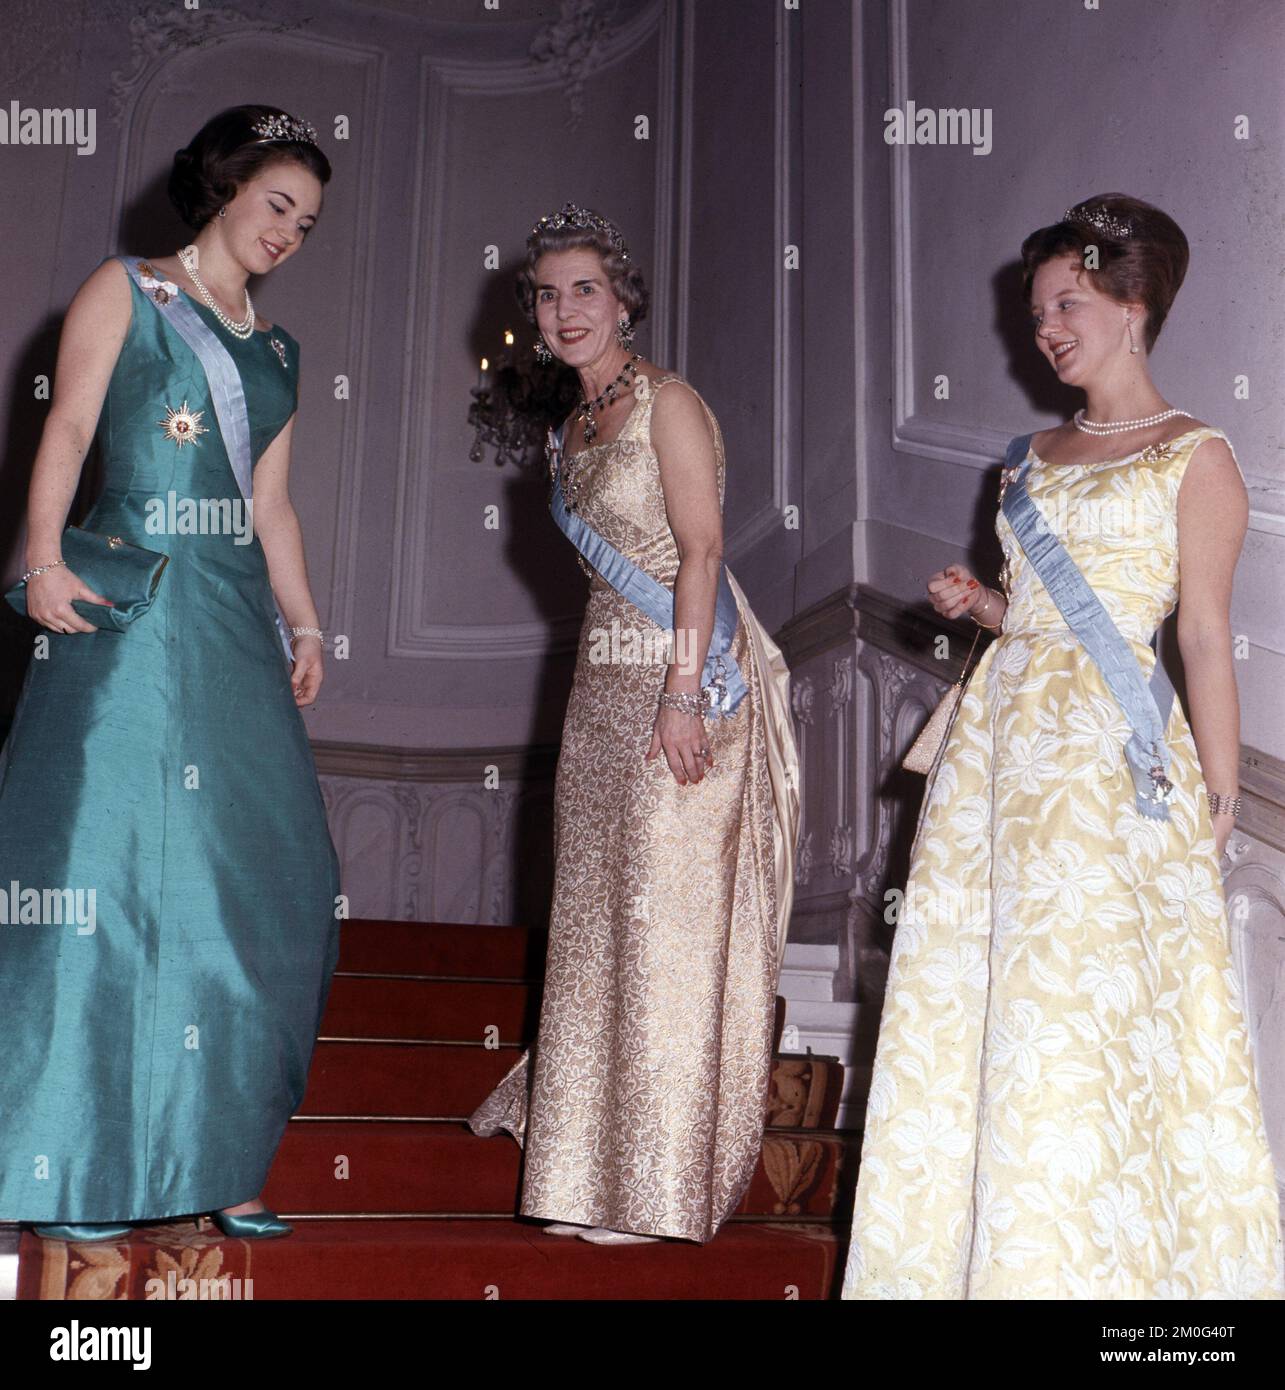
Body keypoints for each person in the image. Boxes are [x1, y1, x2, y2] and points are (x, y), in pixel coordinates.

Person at [842, 193, 1285, 1299]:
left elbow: (1196, 636)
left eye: (1067, 301)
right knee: (977, 997)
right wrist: (987, 607)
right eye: (1036, 307)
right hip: (997, 752)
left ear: (1134, 306)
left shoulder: (1197, 456)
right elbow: (1043, 611)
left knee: (1072, 1016)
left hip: (1104, 769)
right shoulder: (1024, 460)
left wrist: (1218, 791)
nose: (1044, 326)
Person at [0, 105, 341, 1243]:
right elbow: (67, 429)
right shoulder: (126, 290)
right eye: (276, 203)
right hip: (130, 602)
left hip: (235, 621)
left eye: (308, 221)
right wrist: (40, 553)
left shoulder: (280, 355)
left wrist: (306, 622)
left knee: (264, 879)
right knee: (96, 870)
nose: (288, 231)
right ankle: (73, 1165)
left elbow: (271, 506)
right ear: (228, 187)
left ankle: (219, 1151)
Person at [468, 204, 799, 1244]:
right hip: (600, 683)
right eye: (547, 294)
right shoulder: (566, 431)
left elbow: (698, 552)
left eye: (585, 291)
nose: (564, 312)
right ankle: (582, 1173)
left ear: (624, 301)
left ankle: (655, 1187)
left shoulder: (669, 402)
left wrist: (682, 690)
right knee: (595, 918)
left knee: (664, 921)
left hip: (685, 675)